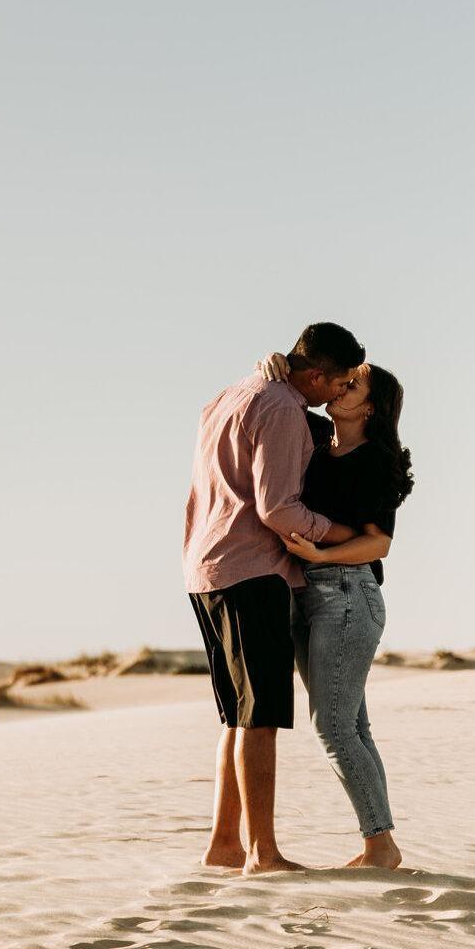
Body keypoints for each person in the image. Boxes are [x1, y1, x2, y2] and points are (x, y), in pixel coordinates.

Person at [182, 323, 363, 874]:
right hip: (253, 569)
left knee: (237, 716)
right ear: (315, 374)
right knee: (259, 718)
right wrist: (344, 534)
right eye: (340, 382)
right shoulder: (283, 408)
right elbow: (278, 510)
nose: (340, 392)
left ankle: (224, 846)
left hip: (205, 566)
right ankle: (263, 853)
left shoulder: (227, 395)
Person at [269, 357, 415, 870]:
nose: (340, 387)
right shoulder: (314, 436)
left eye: (353, 385)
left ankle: (380, 846)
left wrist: (323, 555)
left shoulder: (376, 459)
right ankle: (381, 845)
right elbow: (286, 390)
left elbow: (379, 544)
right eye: (342, 378)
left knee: (333, 726)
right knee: (352, 725)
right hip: (307, 597)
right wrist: (271, 367)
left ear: (370, 406)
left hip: (348, 595)